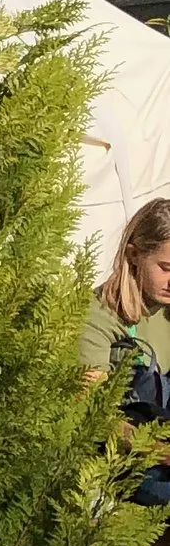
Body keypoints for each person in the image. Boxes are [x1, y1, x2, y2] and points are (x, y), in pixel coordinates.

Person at [86, 196, 170, 504]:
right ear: (134, 255)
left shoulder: (164, 307)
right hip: (118, 449)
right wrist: (158, 451)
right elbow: (91, 416)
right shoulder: (98, 316)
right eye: (166, 268)